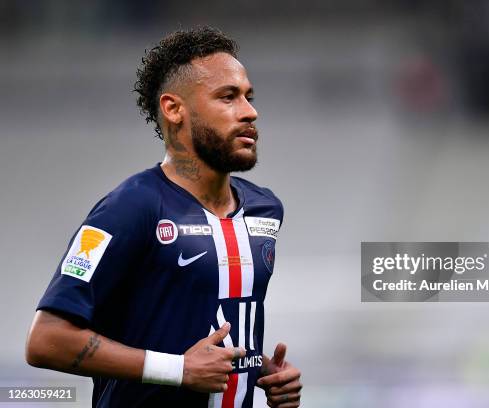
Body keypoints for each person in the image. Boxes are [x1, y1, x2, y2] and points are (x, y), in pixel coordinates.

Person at [25, 27, 301, 408]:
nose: (250, 112)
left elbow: (195, 327)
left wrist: (258, 370)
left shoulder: (264, 210)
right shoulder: (129, 208)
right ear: (174, 110)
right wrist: (177, 370)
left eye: (249, 97)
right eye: (228, 97)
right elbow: (46, 341)